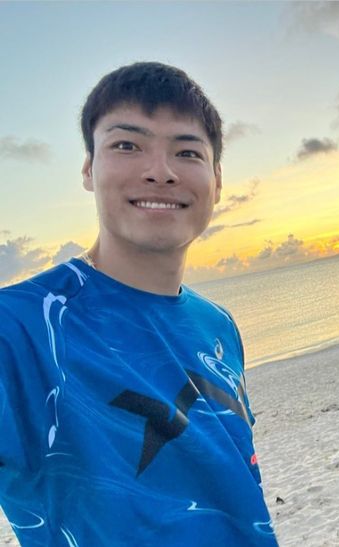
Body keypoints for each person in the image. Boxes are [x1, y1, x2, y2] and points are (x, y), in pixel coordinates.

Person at [0, 62, 278, 545]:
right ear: (89, 168)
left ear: (216, 178)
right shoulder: (23, 328)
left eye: (186, 151)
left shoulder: (217, 325)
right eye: (127, 145)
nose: (160, 172)